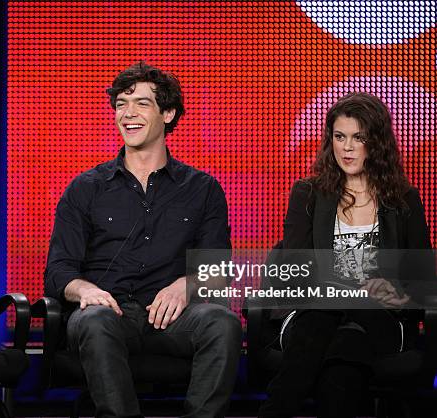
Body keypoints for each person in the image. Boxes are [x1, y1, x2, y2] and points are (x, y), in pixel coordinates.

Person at [44, 61, 241, 417]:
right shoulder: (85, 188)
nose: (127, 114)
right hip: (110, 312)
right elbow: (58, 271)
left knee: (221, 321)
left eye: (141, 103)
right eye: (121, 104)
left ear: (168, 113)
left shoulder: (203, 189)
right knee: (93, 320)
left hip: (173, 317)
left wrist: (187, 284)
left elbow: (218, 269)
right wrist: (85, 291)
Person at [258, 92, 434, 418]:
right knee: (342, 352)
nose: (347, 147)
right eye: (339, 137)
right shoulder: (308, 194)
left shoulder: (404, 199)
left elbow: (424, 281)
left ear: (377, 143)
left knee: (339, 329)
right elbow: (297, 270)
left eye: (358, 137)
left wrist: (399, 296)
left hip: (380, 319)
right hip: (312, 315)